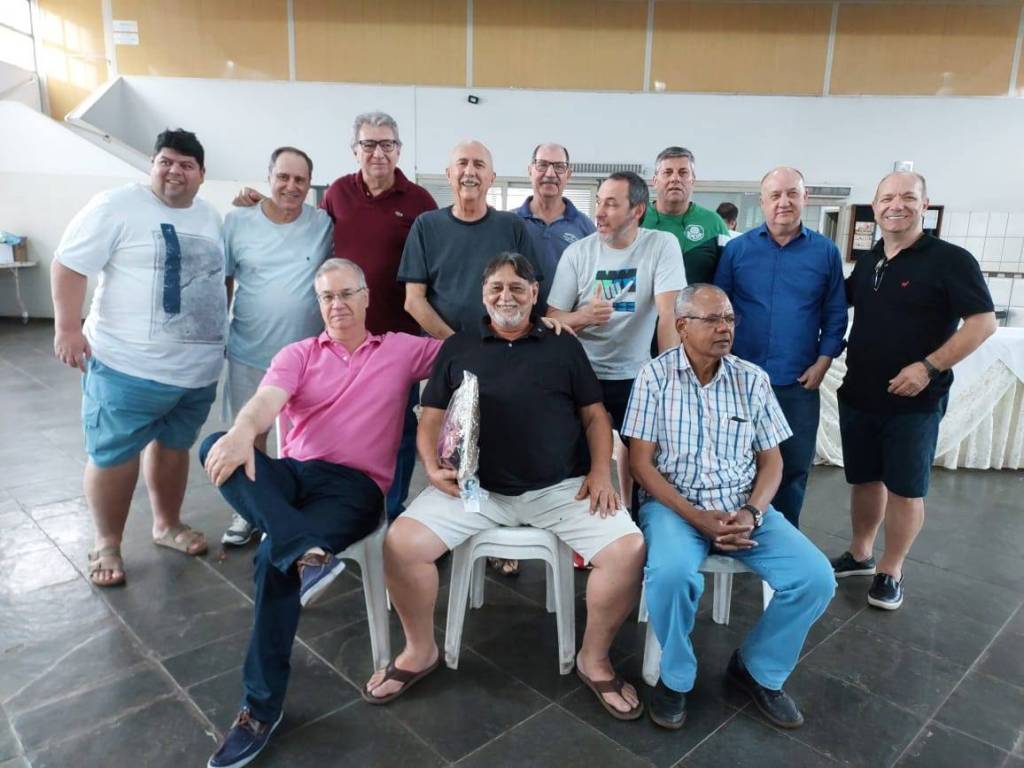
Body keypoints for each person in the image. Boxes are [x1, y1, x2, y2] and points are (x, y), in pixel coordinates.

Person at [363, 253, 647, 722]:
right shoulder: (458, 345)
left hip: (561, 489)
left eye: (517, 287)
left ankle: (594, 658)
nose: (506, 296)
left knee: (627, 550)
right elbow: (431, 415)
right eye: (496, 287)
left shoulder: (563, 345)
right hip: (474, 490)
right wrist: (432, 465)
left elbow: (595, 416)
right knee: (402, 544)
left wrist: (601, 472)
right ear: (483, 294)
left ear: (535, 293)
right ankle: (419, 650)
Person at [199, 258, 441, 768]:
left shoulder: (400, 350)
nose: (337, 305)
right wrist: (242, 433)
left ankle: (259, 711)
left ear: (366, 296)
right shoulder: (299, 354)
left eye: (347, 293)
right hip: (294, 476)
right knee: (215, 445)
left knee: (272, 564)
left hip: (355, 488)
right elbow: (265, 402)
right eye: (327, 297)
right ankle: (303, 548)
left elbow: (466, 351)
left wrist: (546, 324)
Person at [625, 283, 835, 731]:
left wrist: (752, 513)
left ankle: (757, 669)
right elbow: (641, 465)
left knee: (815, 578)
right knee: (671, 575)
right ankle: (675, 677)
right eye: (712, 319)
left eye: (729, 319)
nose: (725, 328)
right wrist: (696, 517)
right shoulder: (654, 377)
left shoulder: (752, 379)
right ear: (682, 326)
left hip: (742, 507)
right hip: (675, 507)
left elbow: (773, 462)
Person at [233, 112, 437, 519]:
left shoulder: (419, 202)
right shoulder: (338, 193)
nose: (378, 153)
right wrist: (262, 206)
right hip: (339, 339)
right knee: (327, 428)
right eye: (368, 144)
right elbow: (306, 228)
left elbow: (435, 267)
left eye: (387, 144)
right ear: (354, 150)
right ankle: (325, 503)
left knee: (397, 432)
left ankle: (387, 510)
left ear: (399, 150)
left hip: (394, 345)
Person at [52, 128, 225, 587]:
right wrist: (67, 328)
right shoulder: (117, 206)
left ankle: (167, 524)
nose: (175, 171)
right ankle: (107, 542)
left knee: (173, 447)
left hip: (195, 375)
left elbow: (219, 279)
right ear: (152, 165)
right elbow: (69, 263)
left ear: (202, 174)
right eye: (166, 161)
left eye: (186, 164)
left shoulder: (211, 217)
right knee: (113, 454)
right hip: (126, 367)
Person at [831, 171, 996, 610]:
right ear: (875, 206)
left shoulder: (950, 260)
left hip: (914, 401)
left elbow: (983, 323)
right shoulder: (870, 259)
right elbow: (838, 302)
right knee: (864, 479)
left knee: (905, 487)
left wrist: (928, 367)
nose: (896, 205)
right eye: (887, 198)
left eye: (907, 197)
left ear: (925, 205)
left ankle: (891, 569)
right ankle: (861, 553)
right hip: (860, 392)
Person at [399, 139, 544, 576]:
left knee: (498, 444)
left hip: (506, 356)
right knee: (444, 448)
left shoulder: (512, 227)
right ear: (448, 174)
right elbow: (414, 300)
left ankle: (498, 535)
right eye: (461, 163)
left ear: (491, 177)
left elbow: (527, 290)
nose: (470, 171)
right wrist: (459, 347)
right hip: (446, 356)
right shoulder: (427, 226)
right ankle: (445, 530)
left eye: (479, 164)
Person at [547, 171, 684, 520]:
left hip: (634, 373)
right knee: (579, 460)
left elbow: (669, 314)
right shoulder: (578, 253)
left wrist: (670, 377)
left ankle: (635, 522)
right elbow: (553, 319)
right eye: (598, 203)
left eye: (611, 204)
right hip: (583, 373)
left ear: (637, 210)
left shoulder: (661, 245)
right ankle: (582, 529)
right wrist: (583, 316)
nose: (599, 212)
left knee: (644, 460)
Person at [714, 167, 847, 528]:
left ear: (805, 198)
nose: (783, 202)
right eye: (775, 195)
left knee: (793, 465)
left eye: (792, 193)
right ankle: (735, 532)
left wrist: (823, 362)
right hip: (739, 380)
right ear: (763, 202)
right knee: (734, 461)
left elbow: (835, 312)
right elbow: (719, 311)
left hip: (797, 381)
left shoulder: (825, 252)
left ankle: (784, 536)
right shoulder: (738, 250)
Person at [220, 146, 333, 546]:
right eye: (283, 177)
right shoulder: (237, 221)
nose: (290, 186)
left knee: (305, 438)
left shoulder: (323, 223)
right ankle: (248, 510)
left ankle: (295, 508)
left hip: (306, 359)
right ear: (268, 177)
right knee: (250, 433)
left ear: (310, 184)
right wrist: (218, 334)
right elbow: (224, 281)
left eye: (300, 180)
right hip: (249, 351)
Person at [514, 142, 595, 300]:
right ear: (530, 171)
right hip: (518, 315)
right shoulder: (510, 222)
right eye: (542, 165)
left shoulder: (586, 228)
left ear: (568, 174)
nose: (550, 174)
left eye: (559, 167)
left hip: (569, 315)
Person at [641, 146, 728, 284]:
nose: (675, 178)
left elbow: (728, 277)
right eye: (667, 172)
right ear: (654, 181)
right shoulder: (636, 220)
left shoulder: (713, 223)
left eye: (683, 173)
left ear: (693, 180)